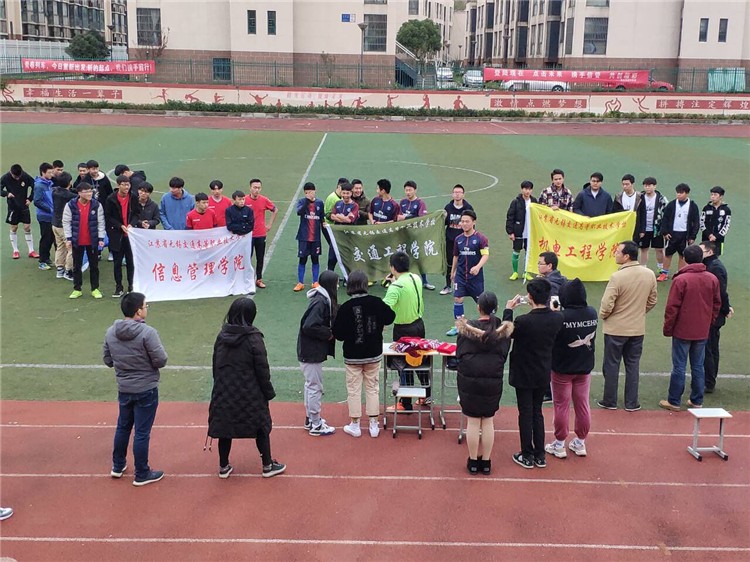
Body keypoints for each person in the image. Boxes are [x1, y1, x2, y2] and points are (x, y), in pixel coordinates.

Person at [208, 298, 285, 479]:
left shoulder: (222, 336)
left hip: (225, 391)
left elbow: (215, 364)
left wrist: (219, 386)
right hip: (251, 393)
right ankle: (267, 465)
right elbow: (262, 369)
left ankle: (223, 466)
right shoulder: (254, 338)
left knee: (225, 428)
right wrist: (268, 392)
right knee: (261, 428)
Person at [103, 291, 168, 486]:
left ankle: (118, 465)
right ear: (138, 311)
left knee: (123, 426)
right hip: (146, 388)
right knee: (141, 432)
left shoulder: (111, 332)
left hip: (124, 388)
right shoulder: (148, 333)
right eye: (145, 306)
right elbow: (161, 360)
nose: (147, 309)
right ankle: (142, 473)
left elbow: (108, 360)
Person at [504, 278, 563, 469]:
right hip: (542, 371)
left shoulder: (524, 321)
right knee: (537, 412)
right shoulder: (557, 318)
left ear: (530, 297)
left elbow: (506, 332)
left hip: (523, 373)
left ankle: (527, 454)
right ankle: (540, 455)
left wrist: (508, 310)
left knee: (525, 413)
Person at [332, 270, 396, 438]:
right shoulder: (376, 302)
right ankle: (374, 424)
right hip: (373, 353)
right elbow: (390, 317)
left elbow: (338, 334)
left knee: (353, 389)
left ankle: (355, 424)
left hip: (352, 356)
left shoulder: (345, 307)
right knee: (372, 387)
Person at [456, 291, 512, 475]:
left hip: (469, 381)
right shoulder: (502, 332)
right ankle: (486, 462)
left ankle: (473, 462)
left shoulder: (466, 329)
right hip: (492, 380)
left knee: (473, 421)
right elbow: (504, 353)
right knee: (488, 421)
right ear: (496, 308)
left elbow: (459, 354)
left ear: (478, 307)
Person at [598, 240, 658, 411]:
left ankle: (610, 400)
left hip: (615, 329)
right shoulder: (649, 274)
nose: (615, 254)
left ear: (626, 257)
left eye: (618, 252)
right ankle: (632, 402)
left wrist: (606, 316)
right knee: (632, 366)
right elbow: (652, 300)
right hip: (637, 329)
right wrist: (639, 312)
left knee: (611, 365)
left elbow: (607, 304)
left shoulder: (617, 277)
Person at [659, 245, 720, 411]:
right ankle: (696, 400)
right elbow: (716, 303)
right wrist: (709, 321)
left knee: (679, 366)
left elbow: (672, 308)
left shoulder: (681, 280)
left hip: (682, 330)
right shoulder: (712, 278)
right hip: (702, 330)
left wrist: (668, 328)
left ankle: (674, 401)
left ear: (685, 259)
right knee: (698, 365)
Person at [545, 279, 597, 460]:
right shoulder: (592, 312)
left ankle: (559, 444)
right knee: (582, 405)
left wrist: (553, 314)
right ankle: (580, 442)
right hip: (584, 367)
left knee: (561, 405)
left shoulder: (561, 317)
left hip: (562, 368)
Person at [383, 251, 429, 410]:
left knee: (403, 365)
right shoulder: (416, 278)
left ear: (392, 267)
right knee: (420, 360)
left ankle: (405, 403)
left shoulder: (395, 287)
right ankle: (427, 395)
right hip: (419, 325)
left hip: (403, 330)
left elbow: (384, 309)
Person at [297, 270, 339, 436]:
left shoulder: (320, 299)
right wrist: (328, 333)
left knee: (310, 385)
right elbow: (309, 326)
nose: (337, 286)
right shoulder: (321, 302)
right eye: (336, 283)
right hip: (311, 351)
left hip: (309, 350)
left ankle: (310, 419)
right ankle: (316, 424)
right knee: (315, 387)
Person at [446, 210, 489, 337]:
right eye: (462, 221)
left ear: (473, 222)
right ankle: (459, 326)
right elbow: (455, 256)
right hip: (460, 276)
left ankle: (487, 324)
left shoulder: (481, 238)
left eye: (467, 221)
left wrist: (478, 267)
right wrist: (452, 272)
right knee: (458, 298)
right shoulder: (458, 239)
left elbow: (485, 255)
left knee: (481, 303)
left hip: (475, 278)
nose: (464, 224)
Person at [699, 242, 733, 394]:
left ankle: (709, 382)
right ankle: (708, 379)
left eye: (701, 250)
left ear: (710, 252)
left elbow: (721, 292)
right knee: (709, 347)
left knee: (709, 349)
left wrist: (725, 309)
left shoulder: (715, 268)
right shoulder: (711, 265)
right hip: (712, 312)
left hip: (713, 314)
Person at [62, 182, 105, 299]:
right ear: (79, 193)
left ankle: (95, 288)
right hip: (77, 241)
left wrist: (101, 238)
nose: (90, 194)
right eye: (86, 192)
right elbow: (66, 222)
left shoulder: (96, 205)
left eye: (91, 191)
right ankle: (77, 289)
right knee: (77, 266)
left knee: (94, 266)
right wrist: (68, 238)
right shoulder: (70, 205)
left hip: (92, 241)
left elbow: (101, 222)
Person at [658, 183, 700, 282]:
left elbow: (696, 222)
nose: (678, 195)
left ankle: (680, 274)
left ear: (687, 193)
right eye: (677, 193)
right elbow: (665, 219)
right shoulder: (671, 205)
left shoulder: (692, 206)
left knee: (682, 255)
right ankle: (664, 274)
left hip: (685, 235)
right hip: (672, 234)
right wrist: (665, 232)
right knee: (668, 254)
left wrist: (692, 236)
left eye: (681, 193)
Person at [105, 175, 138, 297]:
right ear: (118, 185)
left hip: (130, 235)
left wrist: (131, 224)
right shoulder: (111, 199)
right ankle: (118, 287)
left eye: (128, 184)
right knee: (117, 263)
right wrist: (120, 226)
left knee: (131, 262)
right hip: (116, 235)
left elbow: (136, 214)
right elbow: (108, 217)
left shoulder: (133, 197)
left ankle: (131, 286)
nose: (126, 187)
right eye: (123, 185)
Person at [399, 180, 435, 290]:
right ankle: (404, 281)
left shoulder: (420, 203)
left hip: (416, 235)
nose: (408, 192)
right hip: (404, 234)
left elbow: (421, 218)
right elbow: (399, 217)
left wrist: (406, 218)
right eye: (406, 190)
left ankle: (424, 281)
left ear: (415, 190)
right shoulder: (402, 202)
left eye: (410, 190)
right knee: (404, 258)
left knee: (419, 258)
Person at [244, 179, 278, 289]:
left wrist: (269, 224)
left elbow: (275, 210)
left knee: (260, 257)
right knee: (247, 258)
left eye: (258, 188)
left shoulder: (264, 200)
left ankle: (259, 279)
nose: (257, 190)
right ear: (250, 188)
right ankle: (246, 279)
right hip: (247, 235)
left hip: (260, 234)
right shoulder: (244, 200)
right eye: (255, 187)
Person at [1, 163, 38, 259]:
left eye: (19, 176)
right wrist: (6, 193)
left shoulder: (25, 176)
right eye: (15, 177)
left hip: (24, 206)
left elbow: (35, 186)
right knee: (14, 227)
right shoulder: (5, 178)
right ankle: (15, 250)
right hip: (12, 207)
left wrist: (30, 199)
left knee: (27, 227)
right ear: (11, 172)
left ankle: (31, 250)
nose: (17, 178)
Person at [442, 184, 473, 294]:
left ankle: (465, 286)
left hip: (464, 241)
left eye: (459, 192)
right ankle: (448, 285)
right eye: (455, 192)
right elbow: (443, 223)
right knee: (449, 263)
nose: (457, 194)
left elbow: (472, 225)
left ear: (463, 194)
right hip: (450, 241)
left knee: (464, 262)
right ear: (452, 194)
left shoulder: (468, 208)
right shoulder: (448, 208)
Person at [294, 182, 325, 292]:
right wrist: (307, 201)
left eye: (311, 192)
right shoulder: (302, 202)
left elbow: (322, 217)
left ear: (315, 191)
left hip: (316, 238)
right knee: (302, 259)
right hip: (304, 237)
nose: (309, 194)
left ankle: (315, 282)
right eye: (307, 192)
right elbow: (299, 212)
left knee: (315, 259)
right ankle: (300, 283)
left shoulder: (320, 203)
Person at [505, 180, 537, 281]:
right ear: (521, 189)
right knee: (516, 251)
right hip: (519, 231)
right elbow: (510, 217)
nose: (527, 191)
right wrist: (510, 232)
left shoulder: (534, 201)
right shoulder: (516, 202)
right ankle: (515, 272)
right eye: (525, 189)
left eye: (529, 189)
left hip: (530, 232)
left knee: (528, 252)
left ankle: (526, 272)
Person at [636, 177, 667, 271]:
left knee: (659, 249)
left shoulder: (661, 198)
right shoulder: (639, 197)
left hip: (657, 229)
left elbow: (666, 213)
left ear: (655, 186)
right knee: (643, 249)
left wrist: (665, 229)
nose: (647, 188)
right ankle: (643, 269)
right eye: (645, 186)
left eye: (649, 186)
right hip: (643, 229)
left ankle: (661, 269)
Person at [51, 171, 76, 280]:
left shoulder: (55, 192)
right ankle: (68, 271)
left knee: (60, 246)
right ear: (69, 183)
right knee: (71, 249)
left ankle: (60, 269)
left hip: (55, 224)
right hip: (64, 226)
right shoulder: (69, 196)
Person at [32, 162, 55, 270]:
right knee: (46, 238)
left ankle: (46, 258)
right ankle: (42, 261)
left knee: (50, 238)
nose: (51, 174)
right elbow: (37, 201)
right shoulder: (39, 185)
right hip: (44, 216)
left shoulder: (48, 183)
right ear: (43, 172)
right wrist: (50, 209)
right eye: (49, 172)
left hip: (50, 215)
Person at [700, 186, 731, 256]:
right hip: (706, 239)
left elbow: (726, 225)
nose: (712, 197)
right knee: (703, 257)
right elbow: (702, 223)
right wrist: (709, 235)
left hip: (718, 240)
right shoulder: (706, 208)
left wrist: (716, 236)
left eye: (715, 195)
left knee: (715, 259)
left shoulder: (726, 210)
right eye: (711, 194)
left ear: (721, 196)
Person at [323, 178, 346, 272]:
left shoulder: (340, 198)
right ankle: (329, 270)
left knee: (337, 250)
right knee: (336, 249)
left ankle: (330, 270)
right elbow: (327, 215)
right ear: (339, 187)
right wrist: (341, 218)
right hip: (329, 227)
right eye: (344, 190)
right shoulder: (333, 198)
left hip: (335, 228)